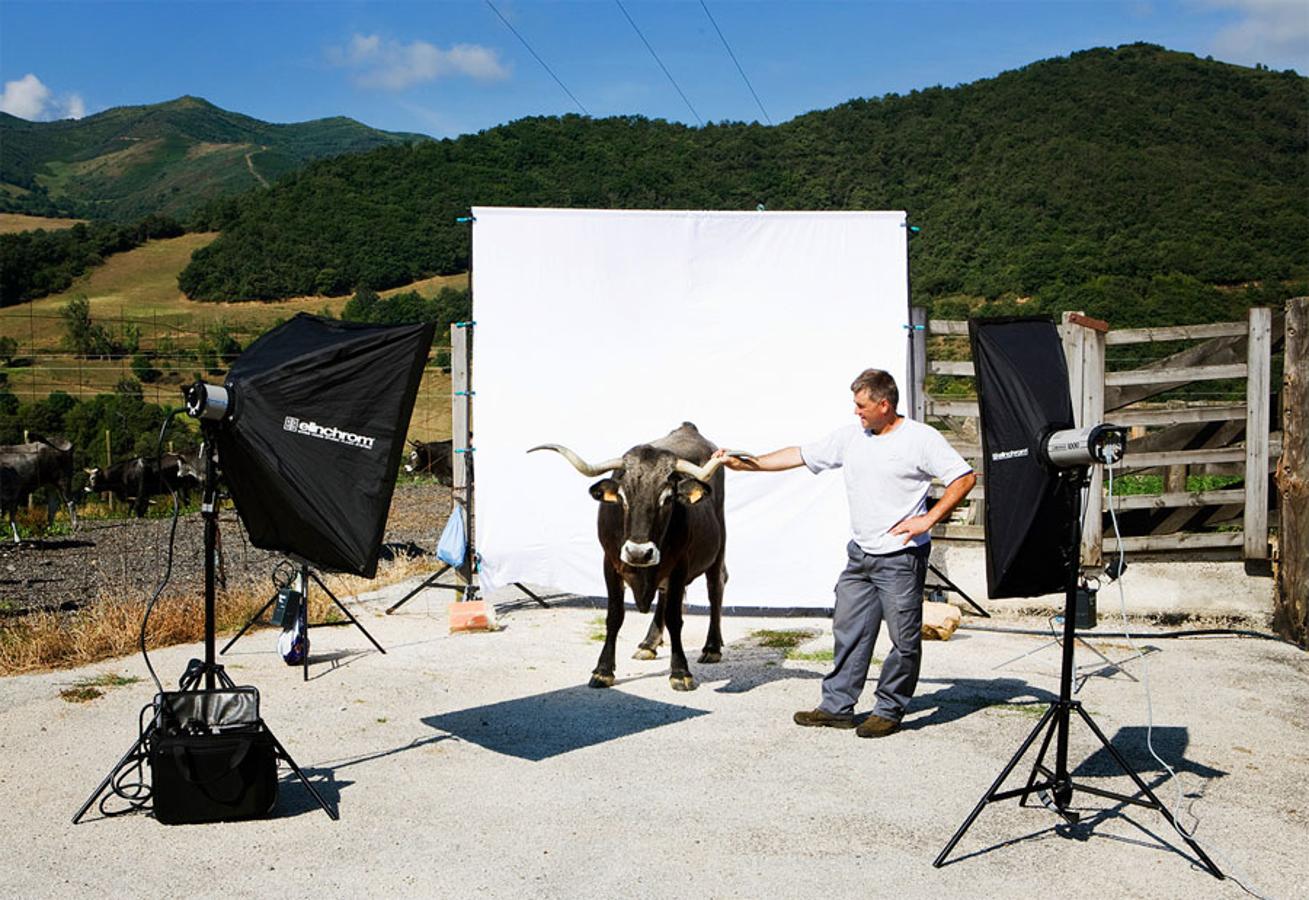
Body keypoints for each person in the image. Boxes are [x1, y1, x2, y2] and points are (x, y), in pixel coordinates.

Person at [715, 368, 975, 738]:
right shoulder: (853, 437)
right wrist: (749, 463)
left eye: (861, 405)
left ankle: (888, 709)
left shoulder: (920, 439)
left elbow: (963, 477)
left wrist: (928, 519)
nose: (856, 412)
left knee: (903, 640)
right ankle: (837, 707)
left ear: (884, 405)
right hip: (860, 555)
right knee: (849, 631)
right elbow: (799, 454)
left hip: (900, 558)